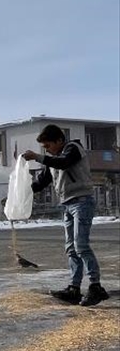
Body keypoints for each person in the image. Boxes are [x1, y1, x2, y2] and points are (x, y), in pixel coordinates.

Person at [22, 124, 108, 306]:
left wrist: (37, 157)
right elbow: (41, 182)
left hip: (82, 202)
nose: (46, 150)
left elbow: (64, 163)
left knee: (81, 245)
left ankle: (96, 287)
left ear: (59, 140)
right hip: (67, 205)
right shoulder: (53, 160)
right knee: (71, 248)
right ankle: (74, 288)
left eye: (48, 146)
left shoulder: (73, 149)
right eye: (44, 148)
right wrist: (21, 193)